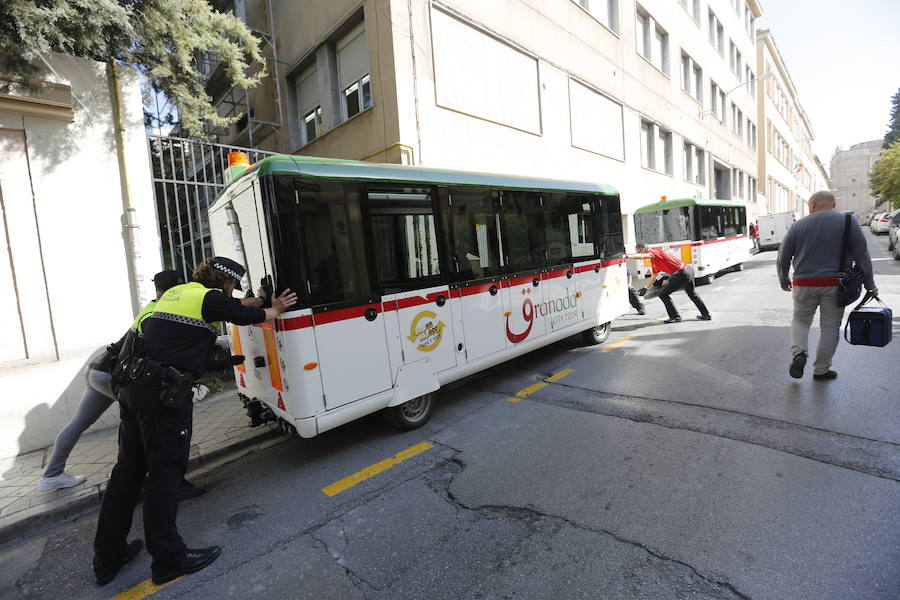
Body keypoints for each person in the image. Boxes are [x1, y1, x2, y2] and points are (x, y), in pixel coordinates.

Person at [92, 257, 297, 587]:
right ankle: (169, 558)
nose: (231, 292)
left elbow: (230, 305)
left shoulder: (179, 294)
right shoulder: (208, 298)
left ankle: (107, 558)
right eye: (231, 286)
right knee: (165, 472)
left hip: (131, 389)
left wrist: (254, 299)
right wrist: (273, 308)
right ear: (224, 282)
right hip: (160, 396)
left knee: (127, 473)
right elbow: (246, 313)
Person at [38, 270, 204, 500]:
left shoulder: (152, 306)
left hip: (98, 368)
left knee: (79, 422)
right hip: (113, 373)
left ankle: (51, 475)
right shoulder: (167, 309)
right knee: (148, 422)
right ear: (178, 287)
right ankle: (151, 480)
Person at [776, 191, 877, 380]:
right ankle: (822, 369)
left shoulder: (798, 226)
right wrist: (870, 284)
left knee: (800, 319)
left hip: (803, 283)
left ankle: (799, 354)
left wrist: (783, 279)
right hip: (836, 284)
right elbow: (861, 255)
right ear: (833, 204)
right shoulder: (848, 222)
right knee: (830, 326)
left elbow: (783, 257)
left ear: (812, 205)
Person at [626, 243, 711, 323]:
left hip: (682, 273)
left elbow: (642, 256)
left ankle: (675, 317)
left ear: (643, 249)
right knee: (692, 293)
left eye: (638, 251)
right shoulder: (654, 261)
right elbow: (654, 275)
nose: (638, 253)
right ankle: (706, 315)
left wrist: (626, 256)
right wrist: (646, 287)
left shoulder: (654, 252)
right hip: (687, 270)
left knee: (663, 294)